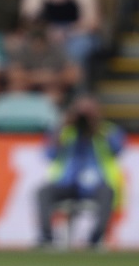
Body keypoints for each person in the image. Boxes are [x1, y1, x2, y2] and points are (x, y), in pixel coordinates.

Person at [37, 95, 125, 249]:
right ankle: (47, 238)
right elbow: (49, 153)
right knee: (43, 192)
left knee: (107, 192)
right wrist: (64, 125)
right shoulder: (65, 130)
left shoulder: (107, 130)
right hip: (67, 183)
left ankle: (95, 239)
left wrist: (96, 127)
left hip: (96, 184)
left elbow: (117, 149)